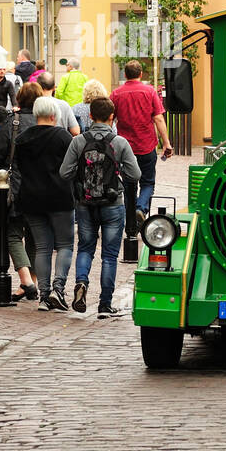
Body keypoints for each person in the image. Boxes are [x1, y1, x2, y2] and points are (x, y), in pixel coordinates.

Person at [59, 97, 140, 317]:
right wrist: (117, 170)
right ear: (112, 117)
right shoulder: (120, 142)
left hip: (85, 203)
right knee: (110, 256)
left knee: (85, 248)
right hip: (113, 204)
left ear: (91, 116)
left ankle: (82, 283)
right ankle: (105, 304)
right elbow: (135, 175)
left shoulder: (78, 142)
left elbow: (64, 173)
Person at [14, 97, 75, 310]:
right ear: (53, 115)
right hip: (59, 197)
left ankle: (44, 295)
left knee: (42, 247)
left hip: (31, 197)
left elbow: (20, 168)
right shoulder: (63, 137)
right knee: (65, 244)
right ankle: (58, 288)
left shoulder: (22, 139)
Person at [0, 86, 41, 301]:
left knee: (12, 233)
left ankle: (27, 281)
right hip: (39, 186)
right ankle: (31, 283)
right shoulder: (44, 122)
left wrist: (4, 174)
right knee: (34, 236)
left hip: (17, 186)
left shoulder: (14, 122)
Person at [111, 60, 173, 230]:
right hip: (146, 145)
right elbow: (158, 118)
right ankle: (141, 208)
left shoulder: (116, 94)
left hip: (124, 148)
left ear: (125, 75)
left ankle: (130, 224)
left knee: (128, 184)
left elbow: (110, 119)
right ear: (140, 74)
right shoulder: (149, 91)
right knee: (147, 182)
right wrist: (166, 142)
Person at [36, 70, 81, 136]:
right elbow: (76, 131)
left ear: (38, 86)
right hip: (61, 142)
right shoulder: (64, 105)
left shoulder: (34, 104)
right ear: (54, 87)